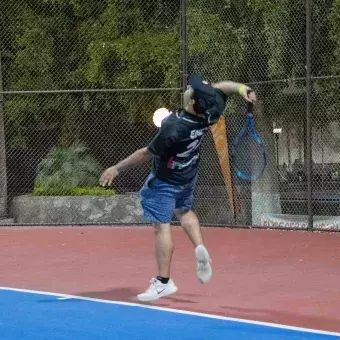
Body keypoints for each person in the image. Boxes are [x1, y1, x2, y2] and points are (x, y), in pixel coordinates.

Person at [99, 74, 257, 301]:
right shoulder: (211, 113)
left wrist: (117, 167)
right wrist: (242, 88)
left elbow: (145, 153)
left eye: (190, 90)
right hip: (188, 174)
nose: (187, 89)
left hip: (165, 180)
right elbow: (221, 88)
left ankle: (163, 282)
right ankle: (199, 247)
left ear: (192, 102)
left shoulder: (174, 127)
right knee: (184, 210)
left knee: (161, 227)